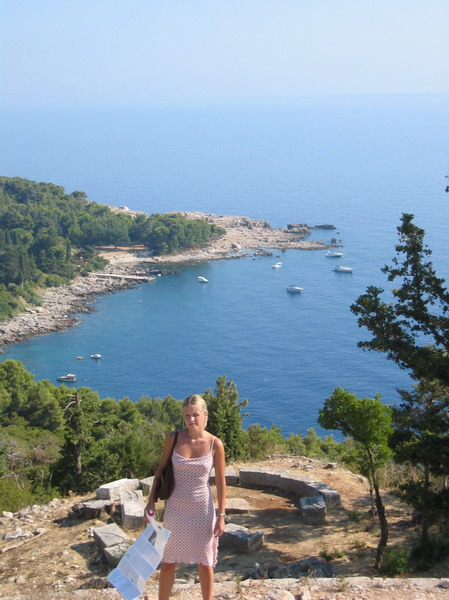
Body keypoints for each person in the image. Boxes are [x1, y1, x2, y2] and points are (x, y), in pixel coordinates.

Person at [144, 394, 226, 600]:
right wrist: (150, 502)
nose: (191, 420)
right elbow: (160, 471)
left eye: (195, 415)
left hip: (202, 510)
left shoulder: (215, 444)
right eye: (187, 415)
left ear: (205, 415)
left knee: (205, 562)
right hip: (175, 509)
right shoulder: (174, 438)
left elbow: (221, 482)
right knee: (168, 562)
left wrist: (222, 516)